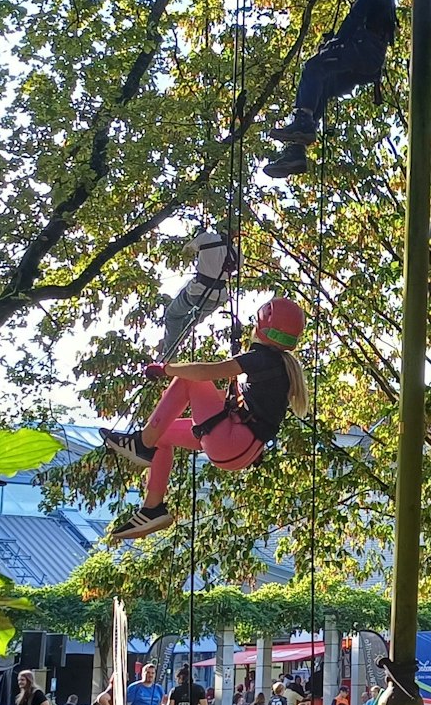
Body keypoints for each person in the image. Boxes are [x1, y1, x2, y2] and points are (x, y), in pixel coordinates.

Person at [100, 298, 312, 539]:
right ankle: (153, 508)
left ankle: (142, 443)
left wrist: (166, 369)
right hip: (241, 447)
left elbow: (204, 372)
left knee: (189, 378)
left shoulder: (261, 359)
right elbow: (246, 405)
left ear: (261, 328)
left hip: (232, 441)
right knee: (165, 435)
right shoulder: (279, 367)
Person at [263, 0, 400, 178]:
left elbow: (355, 18)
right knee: (323, 87)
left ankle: (303, 122)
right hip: (369, 63)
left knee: (314, 67)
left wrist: (335, 43)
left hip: (362, 51)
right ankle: (296, 152)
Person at [157, 228, 240, 360]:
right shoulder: (237, 253)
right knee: (189, 323)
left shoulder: (207, 238)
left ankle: (170, 355)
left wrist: (199, 237)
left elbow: (187, 250)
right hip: (216, 299)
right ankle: (171, 345)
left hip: (197, 293)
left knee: (172, 316)